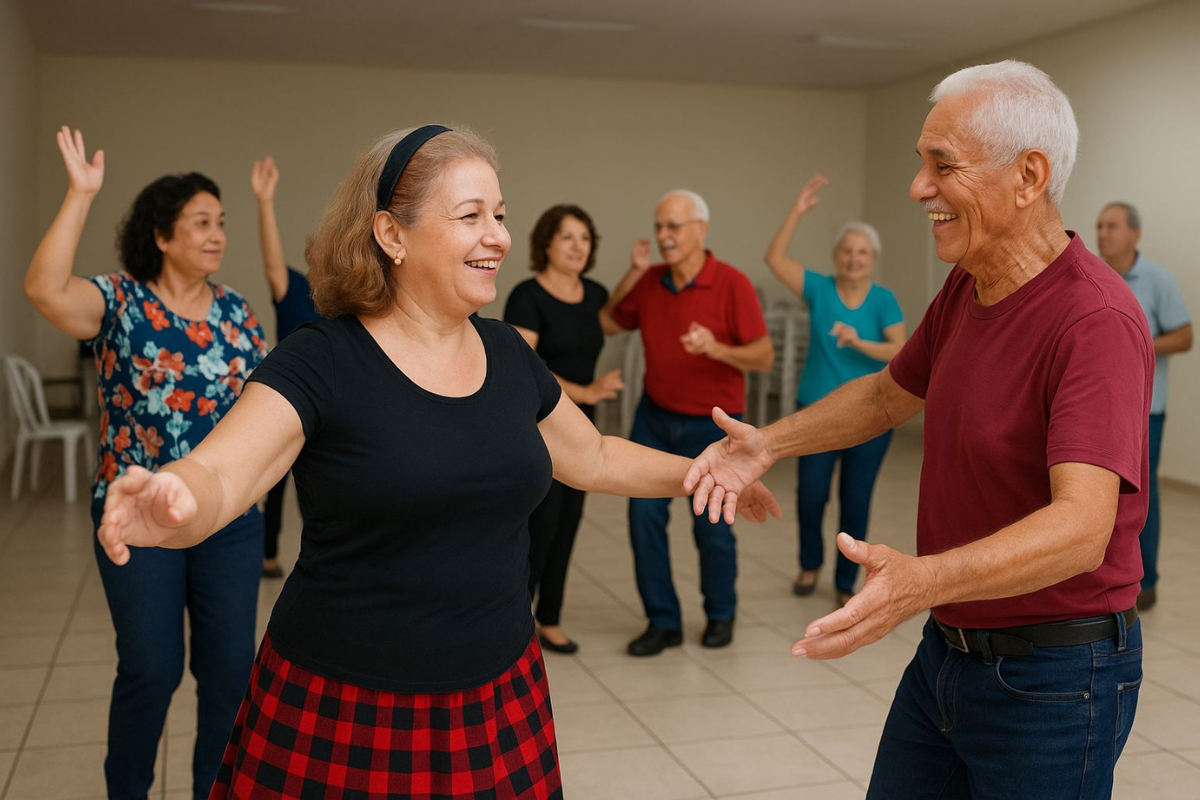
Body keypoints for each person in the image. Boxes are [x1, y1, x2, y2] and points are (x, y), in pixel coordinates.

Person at [95, 125, 779, 799]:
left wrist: (703, 469)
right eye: (471, 216)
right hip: (341, 703)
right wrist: (174, 499)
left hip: (498, 694)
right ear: (391, 235)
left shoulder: (509, 354)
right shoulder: (322, 358)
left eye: (501, 215)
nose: (500, 237)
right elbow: (222, 473)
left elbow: (593, 456)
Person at [685, 61, 1152, 798]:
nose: (918, 188)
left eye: (943, 165)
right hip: (948, 654)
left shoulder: (1095, 320)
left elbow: (1083, 528)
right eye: (920, 164)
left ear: (1029, 176)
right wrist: (770, 443)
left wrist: (921, 580)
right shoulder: (967, 287)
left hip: (1055, 678)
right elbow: (884, 396)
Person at [23, 127, 267, 800]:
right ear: (161, 236)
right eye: (200, 223)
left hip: (228, 520)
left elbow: (264, 416)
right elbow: (44, 291)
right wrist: (80, 195)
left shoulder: (239, 316)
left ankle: (214, 791)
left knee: (228, 674)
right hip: (136, 517)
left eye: (221, 222)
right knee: (152, 669)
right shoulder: (121, 302)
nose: (217, 235)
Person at [600, 190, 774, 655]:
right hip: (654, 419)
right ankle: (663, 622)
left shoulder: (732, 283)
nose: (663, 236)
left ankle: (721, 614)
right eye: (659, 227)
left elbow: (763, 356)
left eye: (673, 227)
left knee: (712, 528)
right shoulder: (651, 280)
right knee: (643, 519)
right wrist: (633, 272)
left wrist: (717, 349)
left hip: (714, 430)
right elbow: (610, 322)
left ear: (701, 229)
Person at [765, 174, 905, 605]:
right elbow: (774, 258)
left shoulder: (884, 300)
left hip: (871, 415)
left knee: (855, 500)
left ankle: (846, 582)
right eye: (847, 250)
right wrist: (798, 210)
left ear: (872, 259)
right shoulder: (820, 289)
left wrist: (858, 341)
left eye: (862, 252)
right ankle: (810, 564)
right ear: (836, 256)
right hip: (817, 411)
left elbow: (899, 351)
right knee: (810, 495)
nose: (854, 258)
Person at [504, 204, 624, 654]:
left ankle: (550, 618)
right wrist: (587, 392)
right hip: (536, 427)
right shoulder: (526, 296)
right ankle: (516, 619)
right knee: (541, 525)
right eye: (568, 237)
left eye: (585, 238)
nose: (578, 246)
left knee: (570, 523)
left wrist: (635, 270)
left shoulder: (594, 294)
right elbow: (526, 367)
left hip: (581, 430)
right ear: (547, 243)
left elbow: (613, 320)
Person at [1096, 201, 1192, 611]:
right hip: (1096, 410)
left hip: (1145, 411)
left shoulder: (1158, 279)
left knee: (1139, 498)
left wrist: (1137, 346)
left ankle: (1145, 582)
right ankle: (1101, 579)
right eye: (1099, 226)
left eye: (1112, 226)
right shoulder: (1091, 276)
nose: (1102, 233)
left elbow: (1185, 337)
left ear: (1134, 234)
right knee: (1095, 498)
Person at [250, 156, 319, 579]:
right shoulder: (292, 288)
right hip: (287, 399)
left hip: (330, 404)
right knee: (274, 484)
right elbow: (272, 259)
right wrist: (265, 203)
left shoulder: (355, 302)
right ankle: (268, 552)